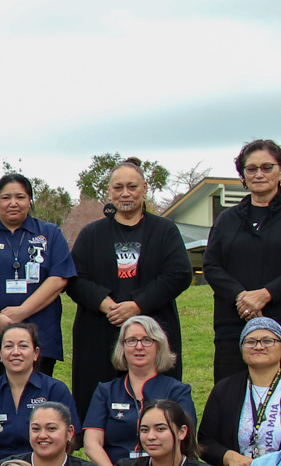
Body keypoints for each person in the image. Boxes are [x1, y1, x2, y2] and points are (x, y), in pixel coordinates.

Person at [69, 159, 193, 414]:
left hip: (152, 328)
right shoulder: (91, 234)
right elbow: (74, 278)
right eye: (118, 187)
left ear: (144, 188)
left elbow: (179, 274)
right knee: (97, 406)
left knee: (157, 407)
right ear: (109, 191)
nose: (125, 193)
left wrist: (138, 305)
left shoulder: (165, 230)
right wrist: (107, 305)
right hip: (99, 331)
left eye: (132, 187)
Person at [204, 140, 281, 382]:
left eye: (267, 167)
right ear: (243, 175)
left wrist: (265, 295)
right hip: (234, 324)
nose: (259, 174)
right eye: (251, 169)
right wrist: (242, 298)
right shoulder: (227, 219)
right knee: (231, 396)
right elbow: (211, 266)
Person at [0, 172, 77, 388]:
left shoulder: (50, 234)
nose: (13, 203)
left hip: (38, 335)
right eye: (6, 197)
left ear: (30, 200)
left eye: (20, 197)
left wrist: (22, 312)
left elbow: (59, 279)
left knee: (36, 400)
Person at [81, 316, 197, 466]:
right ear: (122, 348)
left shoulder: (177, 391)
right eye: (131, 340)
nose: (139, 346)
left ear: (159, 346)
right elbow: (91, 442)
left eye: (147, 340)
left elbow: (184, 439)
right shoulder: (106, 391)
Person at [197, 317, 281, 466]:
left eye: (268, 341)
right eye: (250, 342)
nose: (258, 346)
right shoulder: (224, 389)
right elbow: (205, 442)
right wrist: (231, 458)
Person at [0, 321, 79, 466]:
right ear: (0, 353)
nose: (15, 352)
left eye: (23, 346)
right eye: (8, 346)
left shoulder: (56, 390)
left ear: (36, 353)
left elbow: (68, 440)